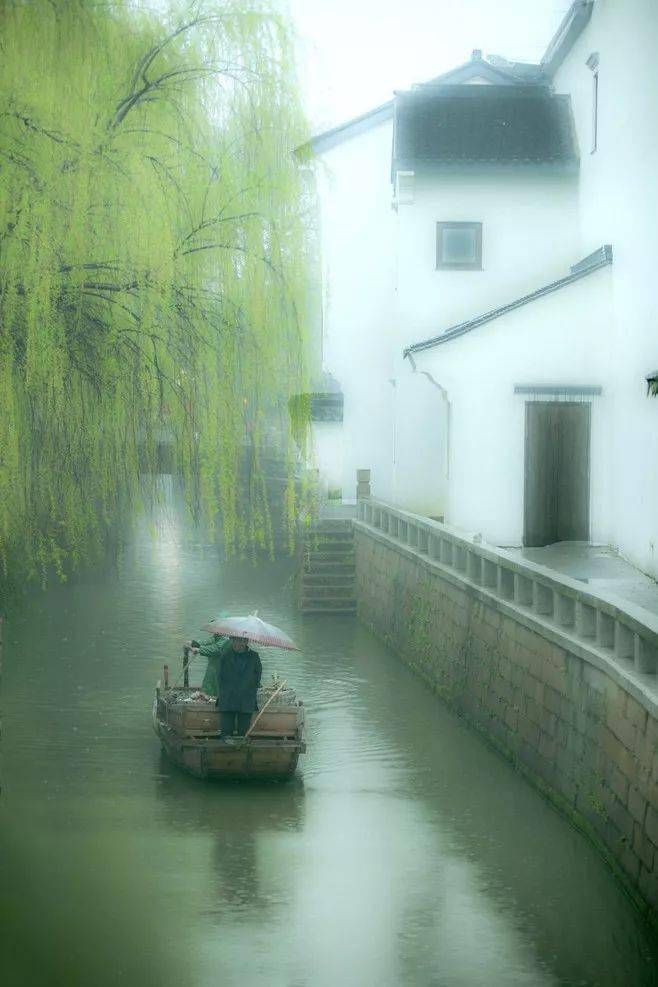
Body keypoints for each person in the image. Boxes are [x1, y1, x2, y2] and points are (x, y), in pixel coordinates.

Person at [215, 636, 262, 740]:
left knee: (243, 733)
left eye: (242, 641)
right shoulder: (225, 655)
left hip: (246, 699)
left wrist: (248, 689)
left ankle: (242, 752)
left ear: (246, 642)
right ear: (232, 640)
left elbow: (257, 678)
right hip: (228, 699)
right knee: (226, 733)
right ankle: (224, 752)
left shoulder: (254, 656)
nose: (238, 644)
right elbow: (219, 677)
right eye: (236, 640)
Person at [189, 632, 230, 697]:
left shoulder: (226, 639)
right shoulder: (216, 637)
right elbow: (207, 642)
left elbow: (216, 649)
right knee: (209, 684)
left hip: (221, 667)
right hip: (213, 666)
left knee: (217, 684)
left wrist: (200, 649)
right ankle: (211, 698)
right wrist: (194, 643)